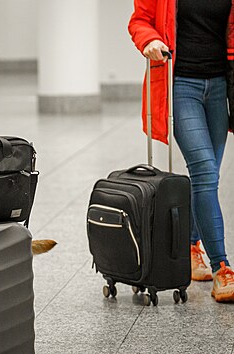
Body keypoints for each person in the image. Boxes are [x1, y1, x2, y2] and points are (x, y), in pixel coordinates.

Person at [129, 0, 234, 302]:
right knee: (203, 170)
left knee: (208, 174)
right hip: (180, 83)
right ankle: (222, 268)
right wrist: (149, 40)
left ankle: (190, 247)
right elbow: (139, 20)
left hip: (219, 86)